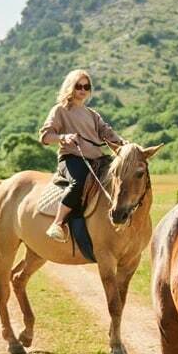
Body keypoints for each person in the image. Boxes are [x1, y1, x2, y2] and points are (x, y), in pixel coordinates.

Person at [39, 69, 126, 242]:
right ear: (71, 87)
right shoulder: (60, 110)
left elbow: (107, 133)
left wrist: (124, 144)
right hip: (71, 158)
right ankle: (57, 223)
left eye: (87, 87)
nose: (83, 90)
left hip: (97, 159)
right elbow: (45, 137)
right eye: (79, 86)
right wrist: (62, 137)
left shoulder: (92, 114)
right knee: (79, 182)